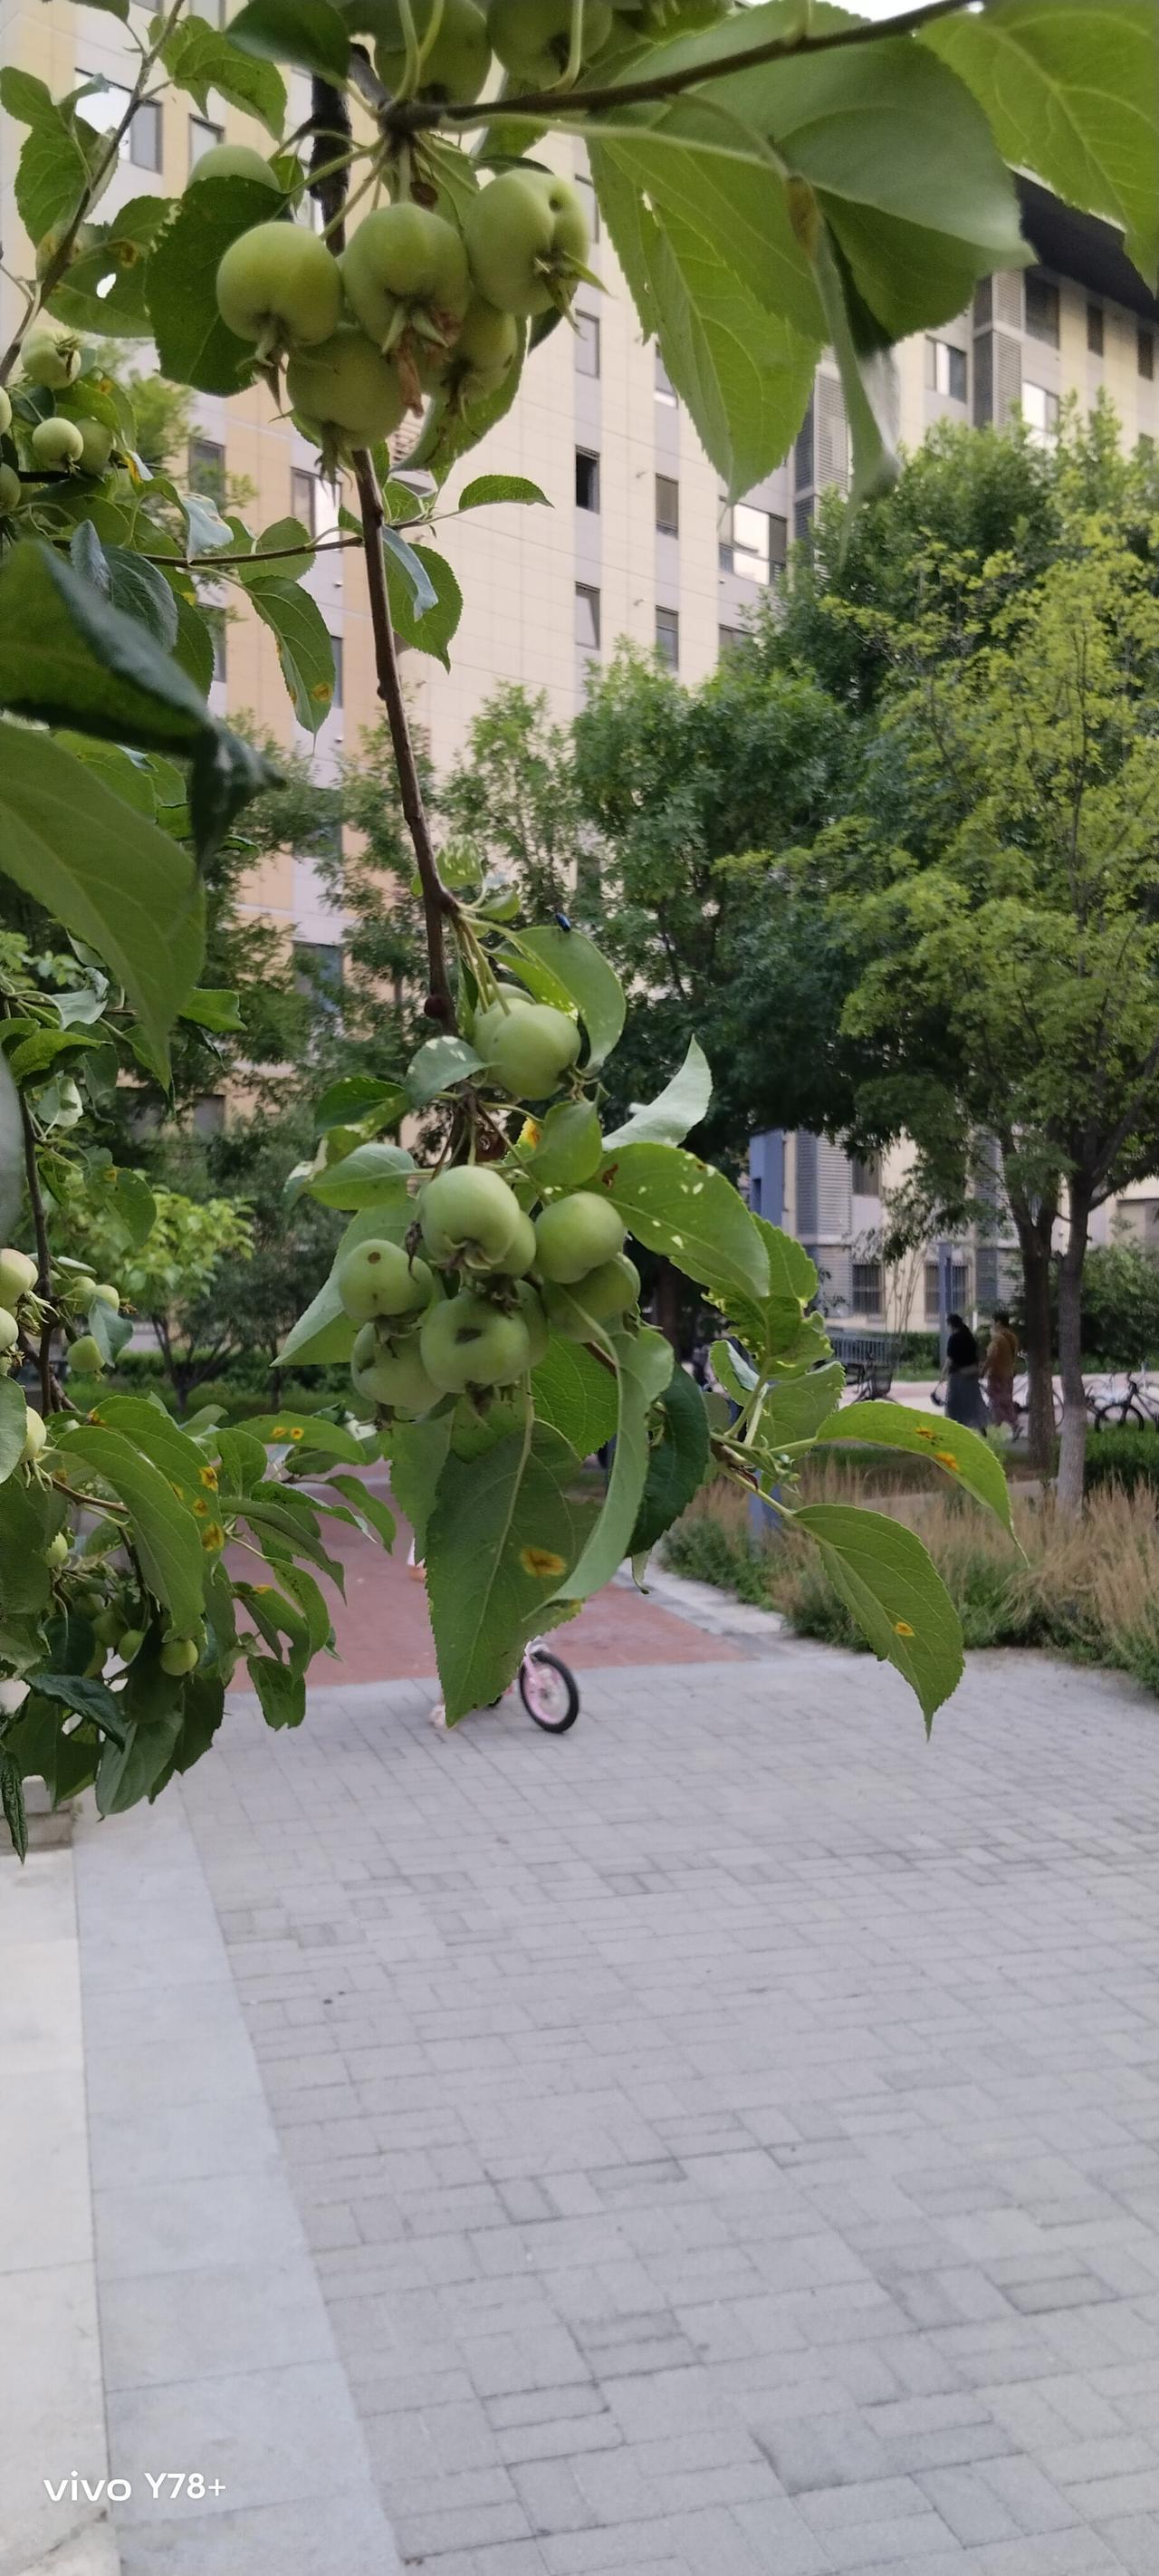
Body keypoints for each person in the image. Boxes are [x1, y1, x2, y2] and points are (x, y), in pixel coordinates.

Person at [944, 1311, 988, 1428]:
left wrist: (943, 1374)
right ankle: (980, 1425)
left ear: (951, 1325)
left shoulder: (954, 1339)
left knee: (954, 1402)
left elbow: (950, 1359)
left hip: (958, 1375)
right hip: (972, 1373)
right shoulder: (970, 1337)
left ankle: (955, 1425)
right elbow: (978, 1355)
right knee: (973, 1402)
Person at [983, 1307, 1020, 1431]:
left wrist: (983, 1371)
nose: (991, 1324)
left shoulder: (997, 1338)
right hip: (1009, 1374)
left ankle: (997, 1427)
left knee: (996, 1402)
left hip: (997, 1375)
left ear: (998, 1322)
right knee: (1006, 1402)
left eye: (993, 1321)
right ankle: (1014, 1425)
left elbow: (991, 1357)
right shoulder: (1012, 1337)